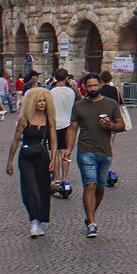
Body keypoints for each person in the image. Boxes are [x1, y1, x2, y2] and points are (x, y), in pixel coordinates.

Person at [65, 71, 126, 238]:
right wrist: (68, 149)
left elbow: (121, 125)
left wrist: (111, 125)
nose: (92, 88)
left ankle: (89, 214)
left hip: (105, 151)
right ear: (84, 87)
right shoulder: (79, 106)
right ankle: (92, 223)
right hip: (85, 150)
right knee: (89, 185)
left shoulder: (111, 104)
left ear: (100, 86)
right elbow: (72, 128)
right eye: (89, 86)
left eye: (94, 85)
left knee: (100, 188)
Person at [6, 86, 58, 237]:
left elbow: (53, 142)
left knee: (42, 190)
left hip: (43, 158)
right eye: (39, 101)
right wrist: (10, 161)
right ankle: (34, 221)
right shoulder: (24, 119)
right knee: (31, 189)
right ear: (32, 102)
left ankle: (40, 221)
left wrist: (53, 159)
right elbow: (15, 141)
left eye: (44, 101)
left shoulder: (50, 120)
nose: (42, 103)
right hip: (26, 158)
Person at [49, 69, 78, 199]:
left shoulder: (51, 92)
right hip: (68, 124)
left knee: (54, 153)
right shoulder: (71, 91)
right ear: (66, 78)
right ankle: (65, 178)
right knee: (66, 152)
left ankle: (57, 178)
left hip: (54, 125)